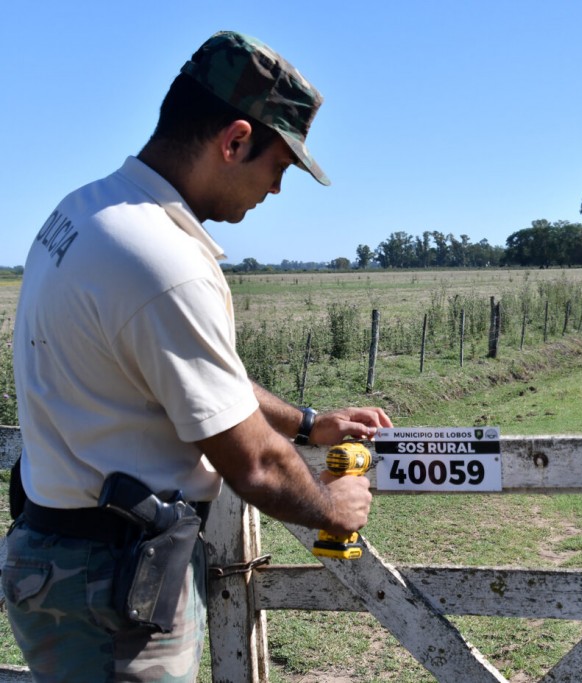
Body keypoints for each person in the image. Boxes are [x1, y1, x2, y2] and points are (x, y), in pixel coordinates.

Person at [5, 30, 392, 682]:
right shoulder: (165, 262)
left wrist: (303, 422)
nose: (275, 189)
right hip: (115, 594)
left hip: (56, 561)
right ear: (235, 140)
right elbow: (255, 466)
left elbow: (195, 378)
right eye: (279, 166)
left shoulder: (86, 214)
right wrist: (336, 506)